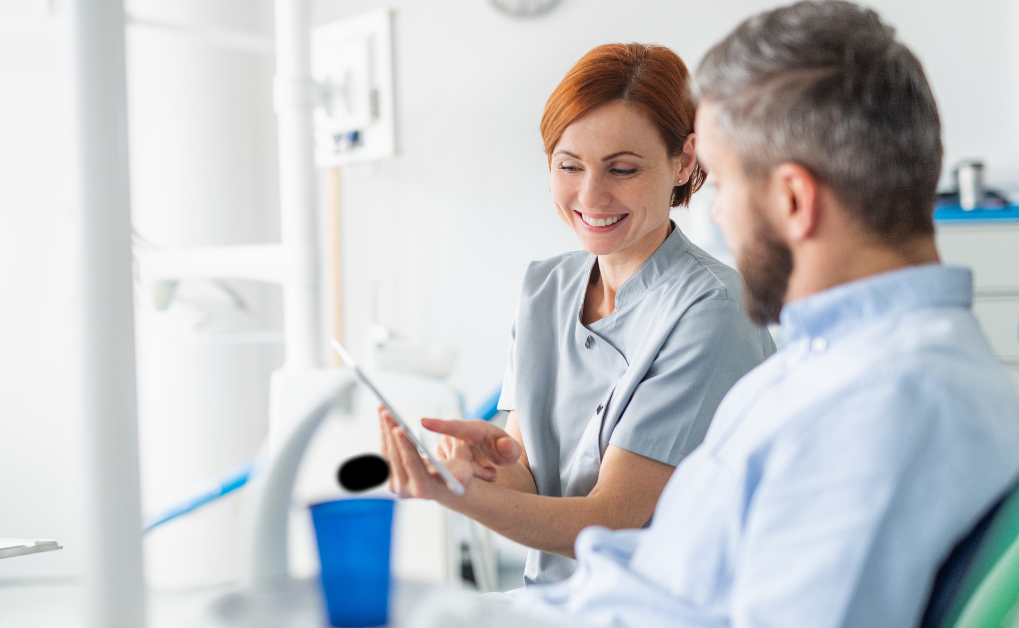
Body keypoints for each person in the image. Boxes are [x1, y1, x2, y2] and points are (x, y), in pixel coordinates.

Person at [499, 2, 1019, 626]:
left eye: (721, 183)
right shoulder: (831, 366)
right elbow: (661, 573)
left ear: (794, 200)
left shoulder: (883, 404)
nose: (716, 214)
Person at [379, 43, 775, 586]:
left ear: (684, 161)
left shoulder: (712, 310)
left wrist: (459, 495)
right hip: (557, 604)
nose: (591, 195)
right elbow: (534, 485)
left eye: (623, 169)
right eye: (570, 166)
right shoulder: (545, 287)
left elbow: (608, 521)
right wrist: (488, 470)